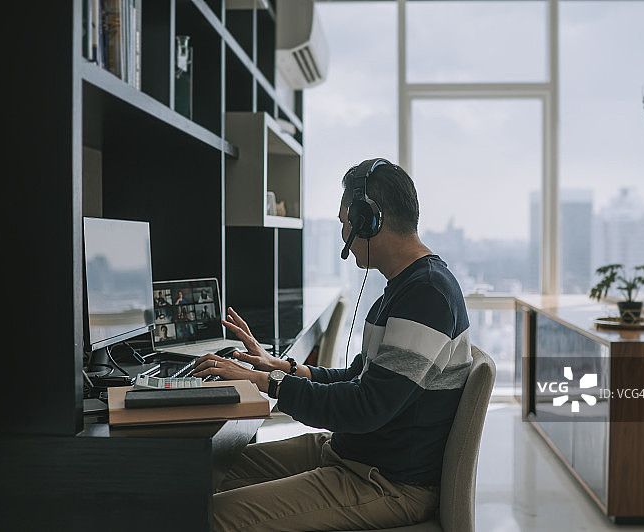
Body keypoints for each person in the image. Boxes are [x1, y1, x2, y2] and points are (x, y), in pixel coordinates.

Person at [191, 159, 472, 531]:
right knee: (200, 473)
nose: (344, 236)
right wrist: (281, 367)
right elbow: (358, 377)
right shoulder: (404, 287)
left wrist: (267, 384)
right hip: (352, 452)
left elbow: (365, 407)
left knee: (209, 515)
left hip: (386, 482)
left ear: (370, 220)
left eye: (345, 223)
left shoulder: (427, 296)